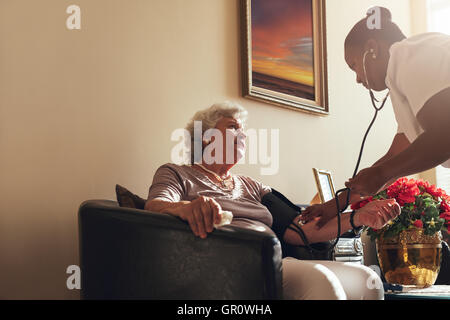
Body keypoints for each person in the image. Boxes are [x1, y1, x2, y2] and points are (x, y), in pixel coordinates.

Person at [145, 101, 401, 300]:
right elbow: (156, 206)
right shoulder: (176, 172)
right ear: (206, 136)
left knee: (367, 280)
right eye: (233, 127)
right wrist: (189, 207)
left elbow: (300, 231)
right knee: (322, 281)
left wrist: (358, 217)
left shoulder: (252, 185)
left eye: (243, 130)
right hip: (224, 264)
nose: (242, 134)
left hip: (273, 259)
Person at [302, 7, 450, 227]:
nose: (358, 80)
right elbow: (395, 156)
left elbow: (444, 136)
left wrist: (382, 173)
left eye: (354, 66)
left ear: (372, 49)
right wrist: (335, 204)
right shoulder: (405, 76)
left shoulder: (409, 54)